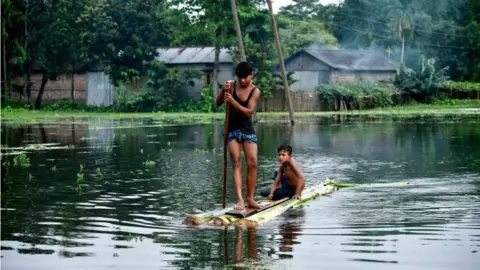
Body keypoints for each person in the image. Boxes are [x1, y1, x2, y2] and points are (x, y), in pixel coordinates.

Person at [215, 61, 262, 210]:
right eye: (239, 77)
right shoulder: (231, 85)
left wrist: (233, 102)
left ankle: (250, 199)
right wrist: (223, 91)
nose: (242, 81)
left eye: (245, 78)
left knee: (253, 162)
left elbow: (249, 112)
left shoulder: (255, 91)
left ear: (251, 75)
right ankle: (240, 200)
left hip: (247, 128)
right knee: (236, 162)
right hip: (232, 128)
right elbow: (217, 103)